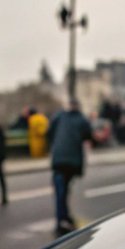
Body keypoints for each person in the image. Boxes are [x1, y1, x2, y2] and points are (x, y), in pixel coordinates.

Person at [46, 98, 93, 235]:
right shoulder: (81, 119)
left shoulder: (59, 115)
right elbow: (88, 135)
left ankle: (62, 219)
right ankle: (64, 219)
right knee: (64, 189)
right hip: (72, 161)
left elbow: (49, 133)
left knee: (60, 190)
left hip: (59, 159)